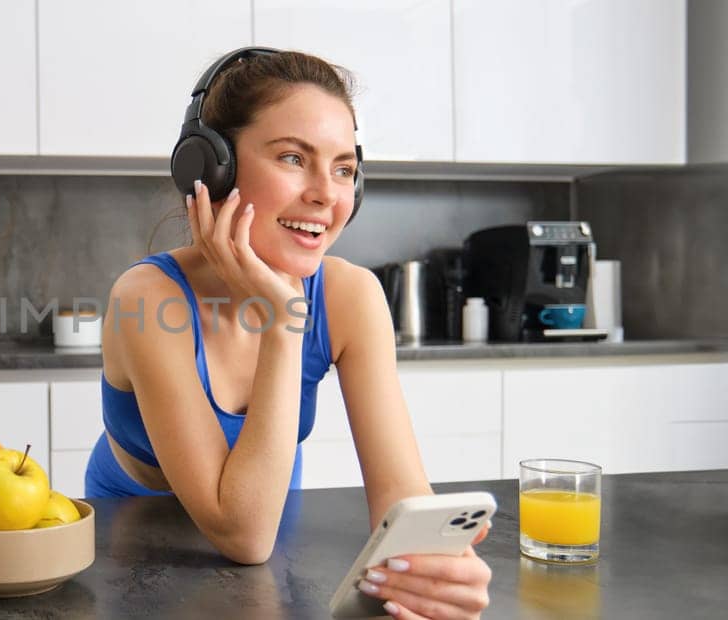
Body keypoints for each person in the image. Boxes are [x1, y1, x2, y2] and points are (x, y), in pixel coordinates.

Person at [86, 48, 492, 619]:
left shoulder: (351, 297)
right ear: (211, 167)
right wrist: (283, 323)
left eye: (344, 168)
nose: (327, 193)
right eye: (293, 158)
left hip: (269, 539)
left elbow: (402, 502)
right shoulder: (147, 298)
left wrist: (435, 566)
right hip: (135, 558)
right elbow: (243, 536)